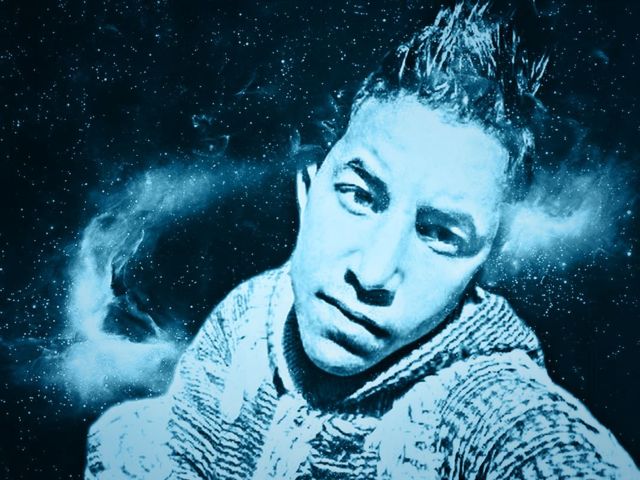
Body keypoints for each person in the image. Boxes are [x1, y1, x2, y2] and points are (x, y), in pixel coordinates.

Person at [85, 3, 638, 479]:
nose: (373, 273)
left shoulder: (493, 408)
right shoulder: (248, 319)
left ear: (481, 269)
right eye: (359, 196)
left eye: (441, 234)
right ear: (308, 188)